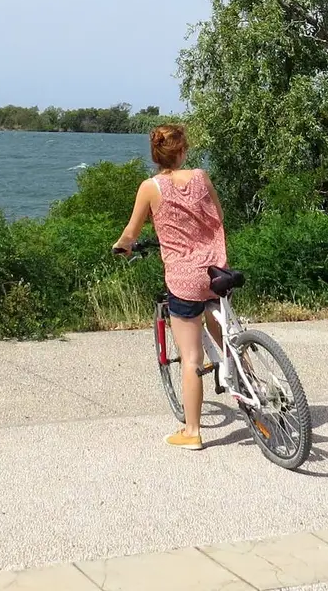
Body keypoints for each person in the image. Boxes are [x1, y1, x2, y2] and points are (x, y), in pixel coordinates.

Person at [113, 123, 226, 451]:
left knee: (191, 358)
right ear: (183, 150)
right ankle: (258, 389)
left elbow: (131, 232)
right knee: (230, 342)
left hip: (185, 279)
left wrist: (122, 246)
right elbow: (217, 216)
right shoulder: (202, 177)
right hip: (216, 269)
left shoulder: (150, 187)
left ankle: (192, 432)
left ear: (156, 154)